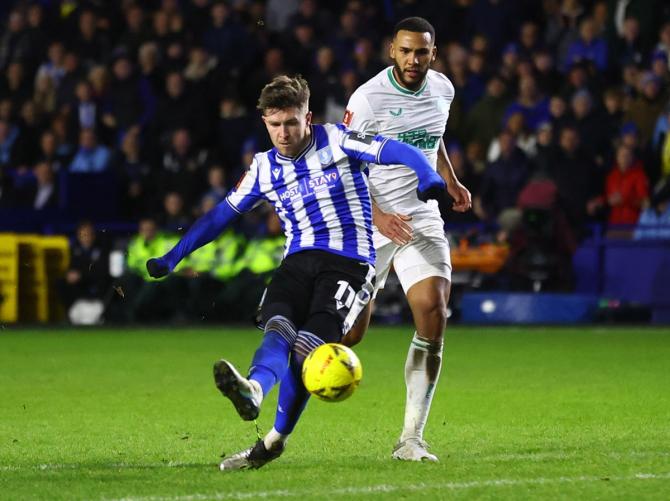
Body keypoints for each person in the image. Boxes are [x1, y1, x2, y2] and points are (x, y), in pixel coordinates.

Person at [145, 75, 446, 471]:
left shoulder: (339, 140)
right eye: (274, 125)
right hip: (297, 262)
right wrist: (174, 255)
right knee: (278, 329)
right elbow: (221, 215)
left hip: (348, 263)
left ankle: (272, 442)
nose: (283, 134)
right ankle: (253, 390)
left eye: (291, 123)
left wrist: (428, 175)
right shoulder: (263, 168)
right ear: (265, 124)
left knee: (307, 348)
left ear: (308, 118)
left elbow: (397, 151)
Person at [340, 17, 472, 462]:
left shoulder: (443, 89)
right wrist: (377, 215)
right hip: (370, 219)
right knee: (350, 333)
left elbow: (433, 139)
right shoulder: (368, 98)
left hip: (420, 216)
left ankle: (411, 438)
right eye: (406, 51)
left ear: (434, 53)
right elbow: (347, 163)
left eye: (422, 52)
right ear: (391, 51)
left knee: (433, 310)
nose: (413, 59)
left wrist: (449, 180)